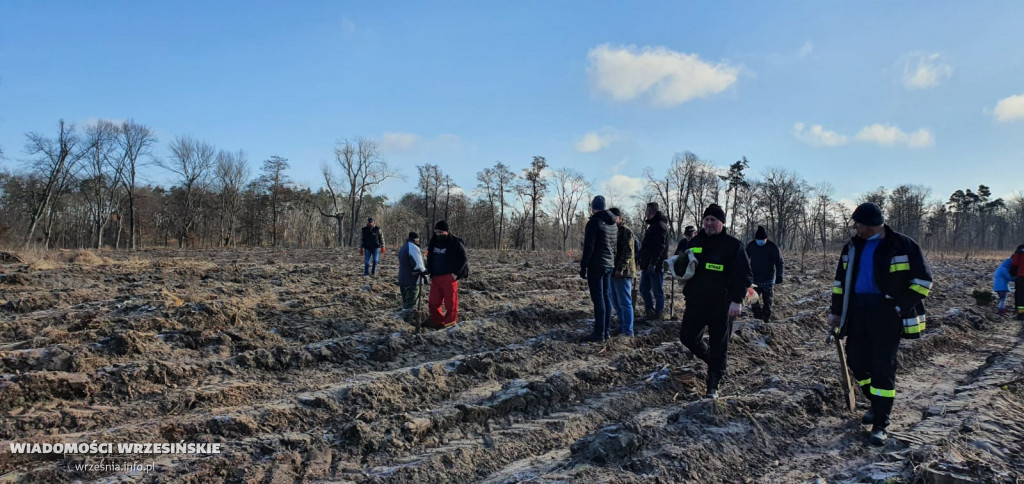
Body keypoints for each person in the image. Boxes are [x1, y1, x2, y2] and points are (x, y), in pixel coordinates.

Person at [828, 202, 932, 446]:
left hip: (887, 314)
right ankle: (876, 402)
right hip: (857, 312)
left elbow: (923, 281)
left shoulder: (903, 245)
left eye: (859, 225)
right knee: (855, 360)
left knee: (882, 366)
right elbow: (839, 283)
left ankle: (881, 422)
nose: (856, 229)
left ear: (874, 225)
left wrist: (899, 306)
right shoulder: (852, 247)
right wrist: (835, 312)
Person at [679, 204, 752, 399]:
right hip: (696, 301)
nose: (709, 223)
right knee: (687, 337)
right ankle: (714, 361)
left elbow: (744, 275)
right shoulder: (694, 242)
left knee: (720, 344)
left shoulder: (733, 245)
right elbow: (685, 265)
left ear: (722, 223)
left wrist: (737, 300)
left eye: (713, 220)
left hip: (722, 304)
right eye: (706, 220)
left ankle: (713, 385)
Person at [579, 195, 617, 342]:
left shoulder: (594, 223)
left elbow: (589, 246)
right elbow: (614, 246)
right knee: (606, 298)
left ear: (593, 207)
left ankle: (598, 333)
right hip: (609, 264)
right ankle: (606, 331)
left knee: (598, 299)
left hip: (597, 265)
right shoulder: (613, 223)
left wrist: (584, 266)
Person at [425, 221, 468, 329]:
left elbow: (464, 258)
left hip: (449, 277)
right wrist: (429, 271)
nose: (438, 234)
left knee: (451, 304)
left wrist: (455, 274)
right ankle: (439, 322)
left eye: (440, 232)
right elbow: (429, 257)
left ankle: (450, 324)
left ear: (447, 232)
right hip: (436, 277)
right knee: (433, 303)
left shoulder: (455, 242)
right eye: (436, 232)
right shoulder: (433, 242)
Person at [637, 202, 670, 321]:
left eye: (646, 212)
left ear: (650, 212)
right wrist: (639, 256)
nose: (645, 214)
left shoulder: (660, 226)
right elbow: (646, 245)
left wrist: (653, 263)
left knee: (657, 291)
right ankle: (649, 311)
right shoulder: (653, 226)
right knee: (644, 289)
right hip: (646, 265)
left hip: (655, 266)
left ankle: (658, 314)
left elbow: (659, 247)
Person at [745, 225, 784, 322]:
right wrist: (744, 275)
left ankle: (765, 320)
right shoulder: (751, 246)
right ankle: (757, 319)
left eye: (762, 239)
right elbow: (744, 260)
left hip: (768, 280)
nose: (760, 241)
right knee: (753, 301)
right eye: (758, 239)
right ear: (755, 239)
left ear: (766, 238)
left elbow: (779, 262)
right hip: (754, 280)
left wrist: (780, 275)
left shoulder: (772, 247)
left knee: (768, 303)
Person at [609, 207, 637, 336]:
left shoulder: (626, 232)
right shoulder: (613, 232)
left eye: (614, 218)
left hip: (624, 273)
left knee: (625, 302)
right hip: (613, 272)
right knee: (615, 301)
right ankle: (621, 326)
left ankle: (628, 331)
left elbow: (627, 253)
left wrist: (620, 268)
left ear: (619, 218)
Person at [397, 231, 427, 312]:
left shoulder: (403, 247)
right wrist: (425, 276)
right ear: (416, 240)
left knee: (406, 303)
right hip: (412, 280)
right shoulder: (413, 247)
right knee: (411, 306)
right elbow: (419, 265)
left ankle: (403, 320)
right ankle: (407, 321)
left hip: (403, 279)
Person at [1011, 244, 1024, 320]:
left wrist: (1013, 274)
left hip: (1021, 276)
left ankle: (1021, 313)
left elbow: (1014, 264)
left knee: (1020, 296)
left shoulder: (1019, 252)